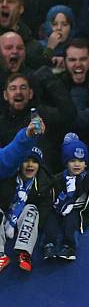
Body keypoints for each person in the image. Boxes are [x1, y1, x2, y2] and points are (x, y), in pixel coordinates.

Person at [43, 133, 89, 261]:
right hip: (59, 210)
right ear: (65, 162)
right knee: (50, 220)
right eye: (72, 160)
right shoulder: (57, 179)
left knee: (71, 219)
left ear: (86, 163)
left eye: (81, 161)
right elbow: (49, 199)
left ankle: (69, 246)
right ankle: (49, 245)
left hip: (80, 212)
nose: (77, 164)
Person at [0, 117, 47, 272]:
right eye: (26, 161)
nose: (30, 165)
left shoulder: (43, 184)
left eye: (34, 162)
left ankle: (23, 252)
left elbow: (8, 157)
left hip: (12, 220)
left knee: (31, 210)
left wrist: (27, 136)